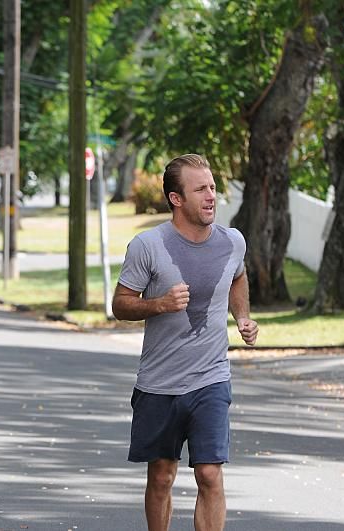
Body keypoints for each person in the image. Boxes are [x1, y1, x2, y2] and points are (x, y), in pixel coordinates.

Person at [111, 154, 258, 531]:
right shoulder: (148, 245)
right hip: (159, 383)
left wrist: (241, 316)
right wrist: (158, 304)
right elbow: (120, 304)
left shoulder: (232, 242)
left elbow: (238, 277)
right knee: (161, 476)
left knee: (210, 473)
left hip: (211, 378)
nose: (211, 196)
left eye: (212, 187)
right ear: (176, 199)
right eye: (200, 190)